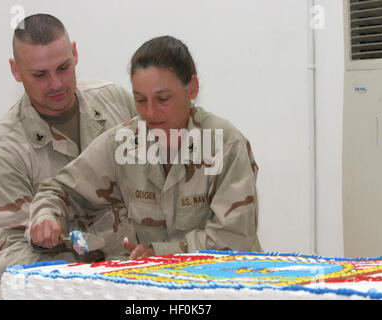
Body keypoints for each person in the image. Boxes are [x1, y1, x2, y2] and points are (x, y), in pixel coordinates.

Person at [29, 35, 262, 259]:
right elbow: (58, 190)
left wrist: (159, 254)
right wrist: (47, 217)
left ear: (192, 89)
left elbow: (234, 243)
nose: (150, 113)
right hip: (150, 290)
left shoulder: (225, 146)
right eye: (140, 100)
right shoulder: (124, 144)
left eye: (163, 99)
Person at [0, 14, 137, 281]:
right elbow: (3, 251)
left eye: (63, 68)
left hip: (144, 277)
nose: (56, 84)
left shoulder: (116, 103)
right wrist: (81, 279)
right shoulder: (6, 149)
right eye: (40, 75)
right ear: (15, 70)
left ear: (74, 53)